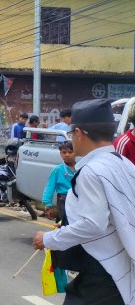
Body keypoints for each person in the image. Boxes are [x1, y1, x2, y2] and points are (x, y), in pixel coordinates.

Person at [32, 99, 135, 305]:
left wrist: (49, 238)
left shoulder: (91, 171)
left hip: (102, 270)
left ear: (78, 133)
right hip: (118, 267)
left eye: (71, 134)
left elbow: (94, 224)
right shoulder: (123, 164)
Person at [41, 141, 75, 223]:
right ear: (60, 154)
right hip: (63, 200)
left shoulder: (80, 168)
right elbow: (50, 187)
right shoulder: (57, 170)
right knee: (63, 222)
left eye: (70, 152)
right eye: (64, 152)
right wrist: (48, 205)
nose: (67, 154)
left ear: (76, 153)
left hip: (76, 200)